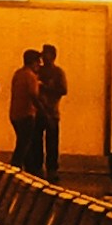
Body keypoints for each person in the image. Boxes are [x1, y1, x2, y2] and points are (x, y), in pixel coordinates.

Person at [8, 49, 45, 172]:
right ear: (33, 62)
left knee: (23, 142)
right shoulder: (31, 76)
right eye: (38, 62)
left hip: (15, 113)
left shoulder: (18, 74)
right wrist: (43, 111)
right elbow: (33, 95)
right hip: (26, 113)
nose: (40, 65)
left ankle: (28, 168)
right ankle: (15, 167)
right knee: (24, 144)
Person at [37, 41, 68, 181]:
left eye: (46, 55)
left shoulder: (57, 72)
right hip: (40, 110)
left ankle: (51, 169)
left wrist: (45, 88)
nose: (44, 58)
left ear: (53, 56)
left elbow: (63, 90)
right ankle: (38, 167)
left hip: (51, 111)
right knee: (37, 141)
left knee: (51, 142)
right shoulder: (39, 70)